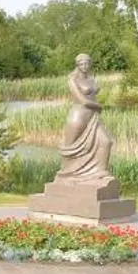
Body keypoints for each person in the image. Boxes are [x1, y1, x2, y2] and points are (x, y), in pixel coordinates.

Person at [56, 54, 115, 184]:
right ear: (77, 65)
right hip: (78, 116)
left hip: (92, 117)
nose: (85, 66)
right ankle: (66, 174)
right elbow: (83, 101)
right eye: (82, 64)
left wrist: (96, 107)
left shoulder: (91, 78)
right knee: (70, 147)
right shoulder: (72, 79)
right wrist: (99, 106)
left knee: (106, 142)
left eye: (87, 63)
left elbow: (93, 95)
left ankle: (100, 172)